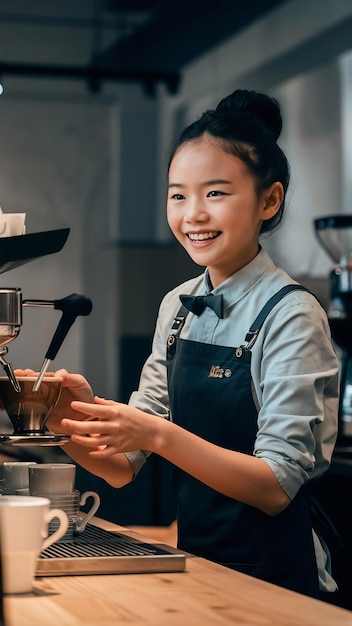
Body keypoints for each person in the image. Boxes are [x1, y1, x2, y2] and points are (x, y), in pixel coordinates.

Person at [24, 89, 340, 598]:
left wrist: (154, 434)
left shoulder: (292, 314)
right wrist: (59, 419)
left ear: (269, 200)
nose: (192, 214)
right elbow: (122, 468)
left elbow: (276, 486)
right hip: (201, 568)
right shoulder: (177, 306)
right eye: (178, 195)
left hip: (279, 582)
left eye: (215, 193)